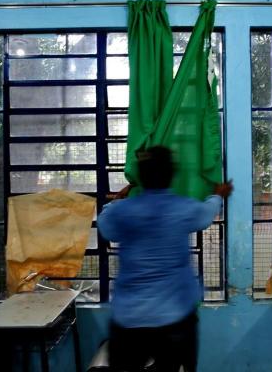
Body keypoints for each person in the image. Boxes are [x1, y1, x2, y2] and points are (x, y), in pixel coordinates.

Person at [97, 145, 232, 372]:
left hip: (130, 319)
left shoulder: (124, 212)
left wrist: (116, 200)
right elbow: (206, 214)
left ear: (141, 176)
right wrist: (218, 195)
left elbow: (105, 227)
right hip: (175, 319)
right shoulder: (182, 208)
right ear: (172, 175)